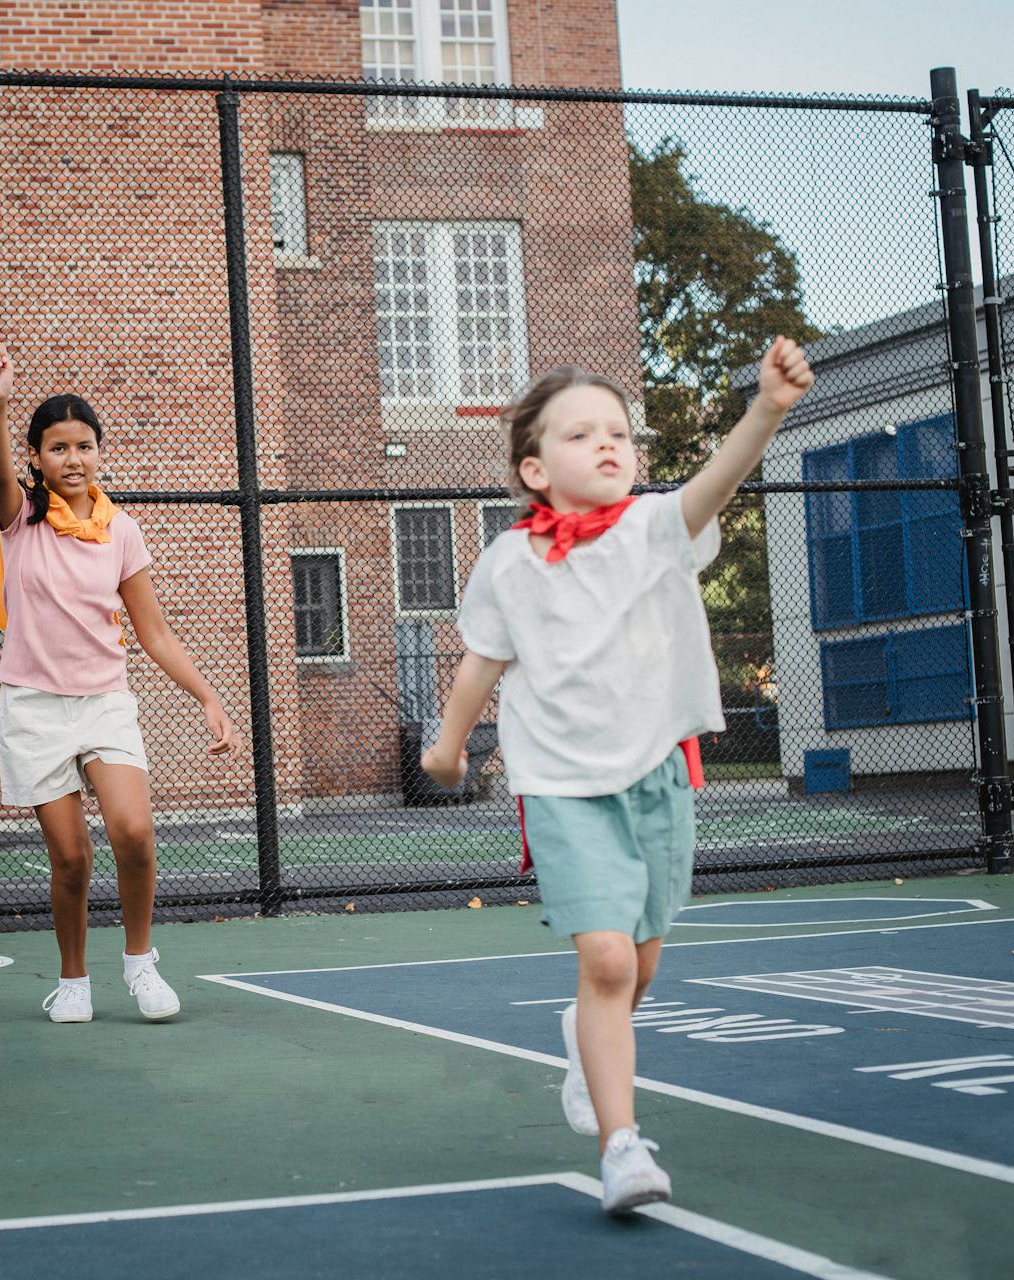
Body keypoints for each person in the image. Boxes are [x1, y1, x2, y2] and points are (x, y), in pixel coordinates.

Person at [420, 339, 814, 1211]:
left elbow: (717, 481)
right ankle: (621, 1146)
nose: (608, 444)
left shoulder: (655, 531)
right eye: (581, 434)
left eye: (619, 434)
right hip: (560, 783)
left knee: (637, 969)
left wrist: (767, 409)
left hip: (656, 776)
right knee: (603, 963)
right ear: (532, 468)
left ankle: (584, 1040)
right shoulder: (508, 563)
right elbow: (483, 662)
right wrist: (448, 745)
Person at [0, 342, 239, 1023]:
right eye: (57, 448)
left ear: (99, 452)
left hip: (104, 703)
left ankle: (141, 964)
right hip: (32, 707)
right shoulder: (19, 519)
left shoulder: (122, 531)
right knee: (69, 859)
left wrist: (208, 697)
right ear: (36, 457)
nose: (73, 459)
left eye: (84, 446)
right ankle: (74, 981)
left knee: (134, 832)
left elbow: (155, 633)